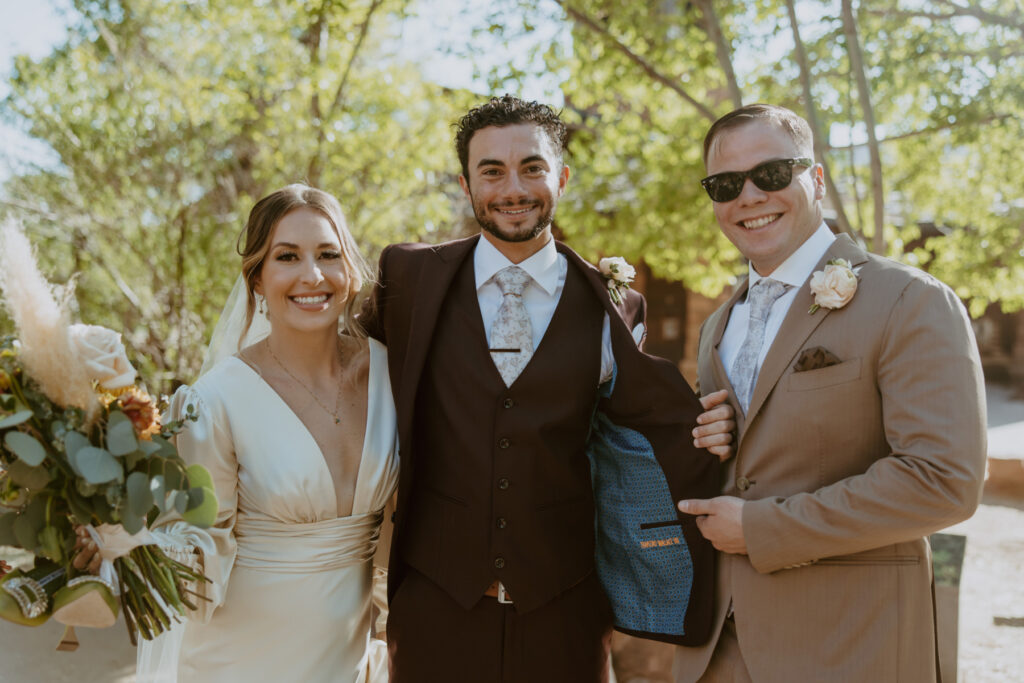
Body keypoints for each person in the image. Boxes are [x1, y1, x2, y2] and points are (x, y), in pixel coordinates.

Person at [361, 95, 734, 682]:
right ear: (466, 184)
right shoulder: (408, 280)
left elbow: (649, 424)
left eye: (532, 167)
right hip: (436, 607)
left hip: (566, 610)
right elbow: (343, 372)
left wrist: (719, 428)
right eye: (492, 171)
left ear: (560, 177)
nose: (514, 188)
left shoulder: (614, 303)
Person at [674, 104, 987, 682]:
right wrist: (703, 439)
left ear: (815, 179)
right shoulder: (717, 325)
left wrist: (765, 529)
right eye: (725, 184)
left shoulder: (909, 300)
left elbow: (943, 480)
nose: (748, 196)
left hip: (850, 646)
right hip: (715, 650)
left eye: (770, 174)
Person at [79, 184, 398, 682]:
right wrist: (125, 536)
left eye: (328, 254)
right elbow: (198, 544)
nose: (311, 275)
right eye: (287, 256)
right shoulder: (217, 400)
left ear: (350, 269)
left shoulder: (390, 376)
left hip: (350, 658)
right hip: (239, 660)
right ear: (256, 278)